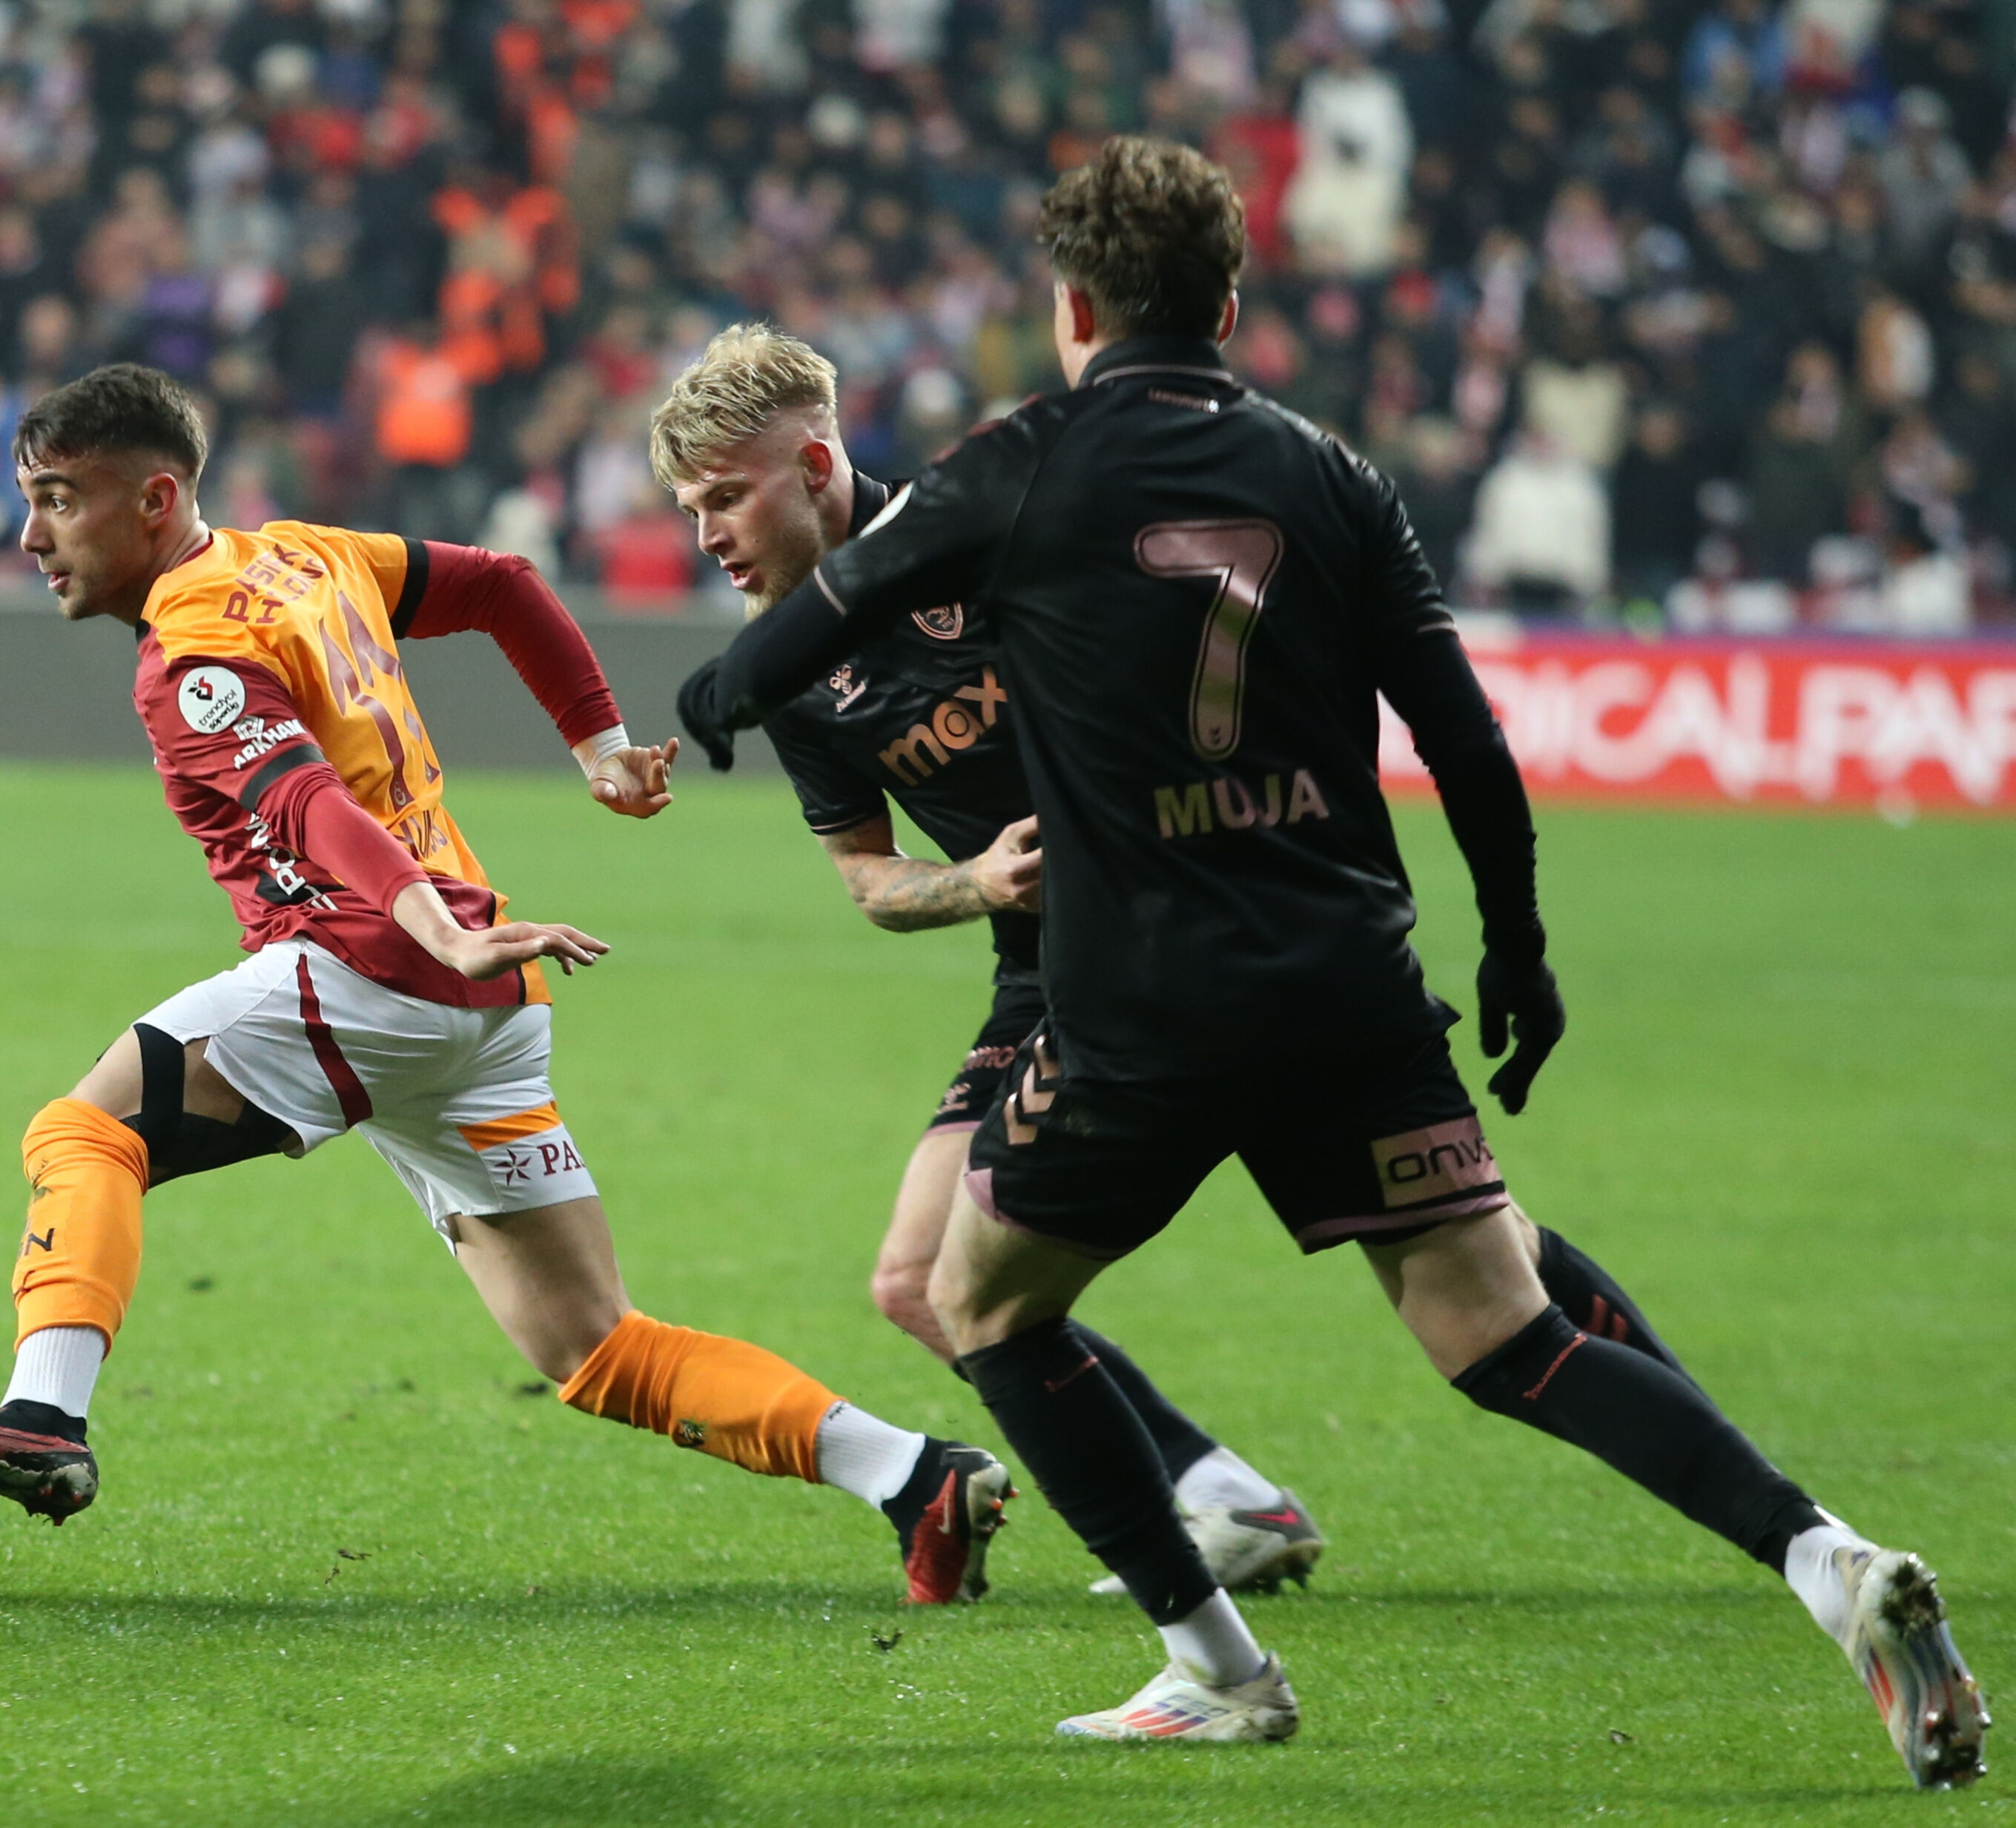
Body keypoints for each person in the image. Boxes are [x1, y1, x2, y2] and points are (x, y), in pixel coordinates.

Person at [675, 140, 1987, 1785]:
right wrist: (1514, 950)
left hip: (1137, 995)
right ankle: (1828, 1563)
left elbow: (795, 638)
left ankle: (1215, 1660)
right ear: (1225, 300)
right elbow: (1466, 737)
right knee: (1501, 1329)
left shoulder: (1015, 464)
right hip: (1346, 976)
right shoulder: (1331, 473)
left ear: (1069, 306)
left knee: (973, 1304)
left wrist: (708, 701)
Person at [0, 363, 1014, 1607]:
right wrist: (599, 747)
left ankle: (44, 1414)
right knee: (594, 1345)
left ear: (154, 499)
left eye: (55, 500)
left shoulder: (194, 651)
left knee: (84, 1131)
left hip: (376, 973)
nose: (30, 534)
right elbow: (507, 586)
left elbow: (305, 802)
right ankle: (915, 1475)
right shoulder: (305, 554)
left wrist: (425, 920)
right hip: (481, 1008)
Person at [648, 323, 1324, 1597]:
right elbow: (865, 876)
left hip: (1202, 920)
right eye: (690, 510)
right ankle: (1223, 1495)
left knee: (1461, 1264)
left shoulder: (986, 533)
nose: (708, 536)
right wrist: (975, 880)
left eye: (725, 497)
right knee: (915, 1279)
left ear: (813, 461)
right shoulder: (785, 665)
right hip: (1044, 970)